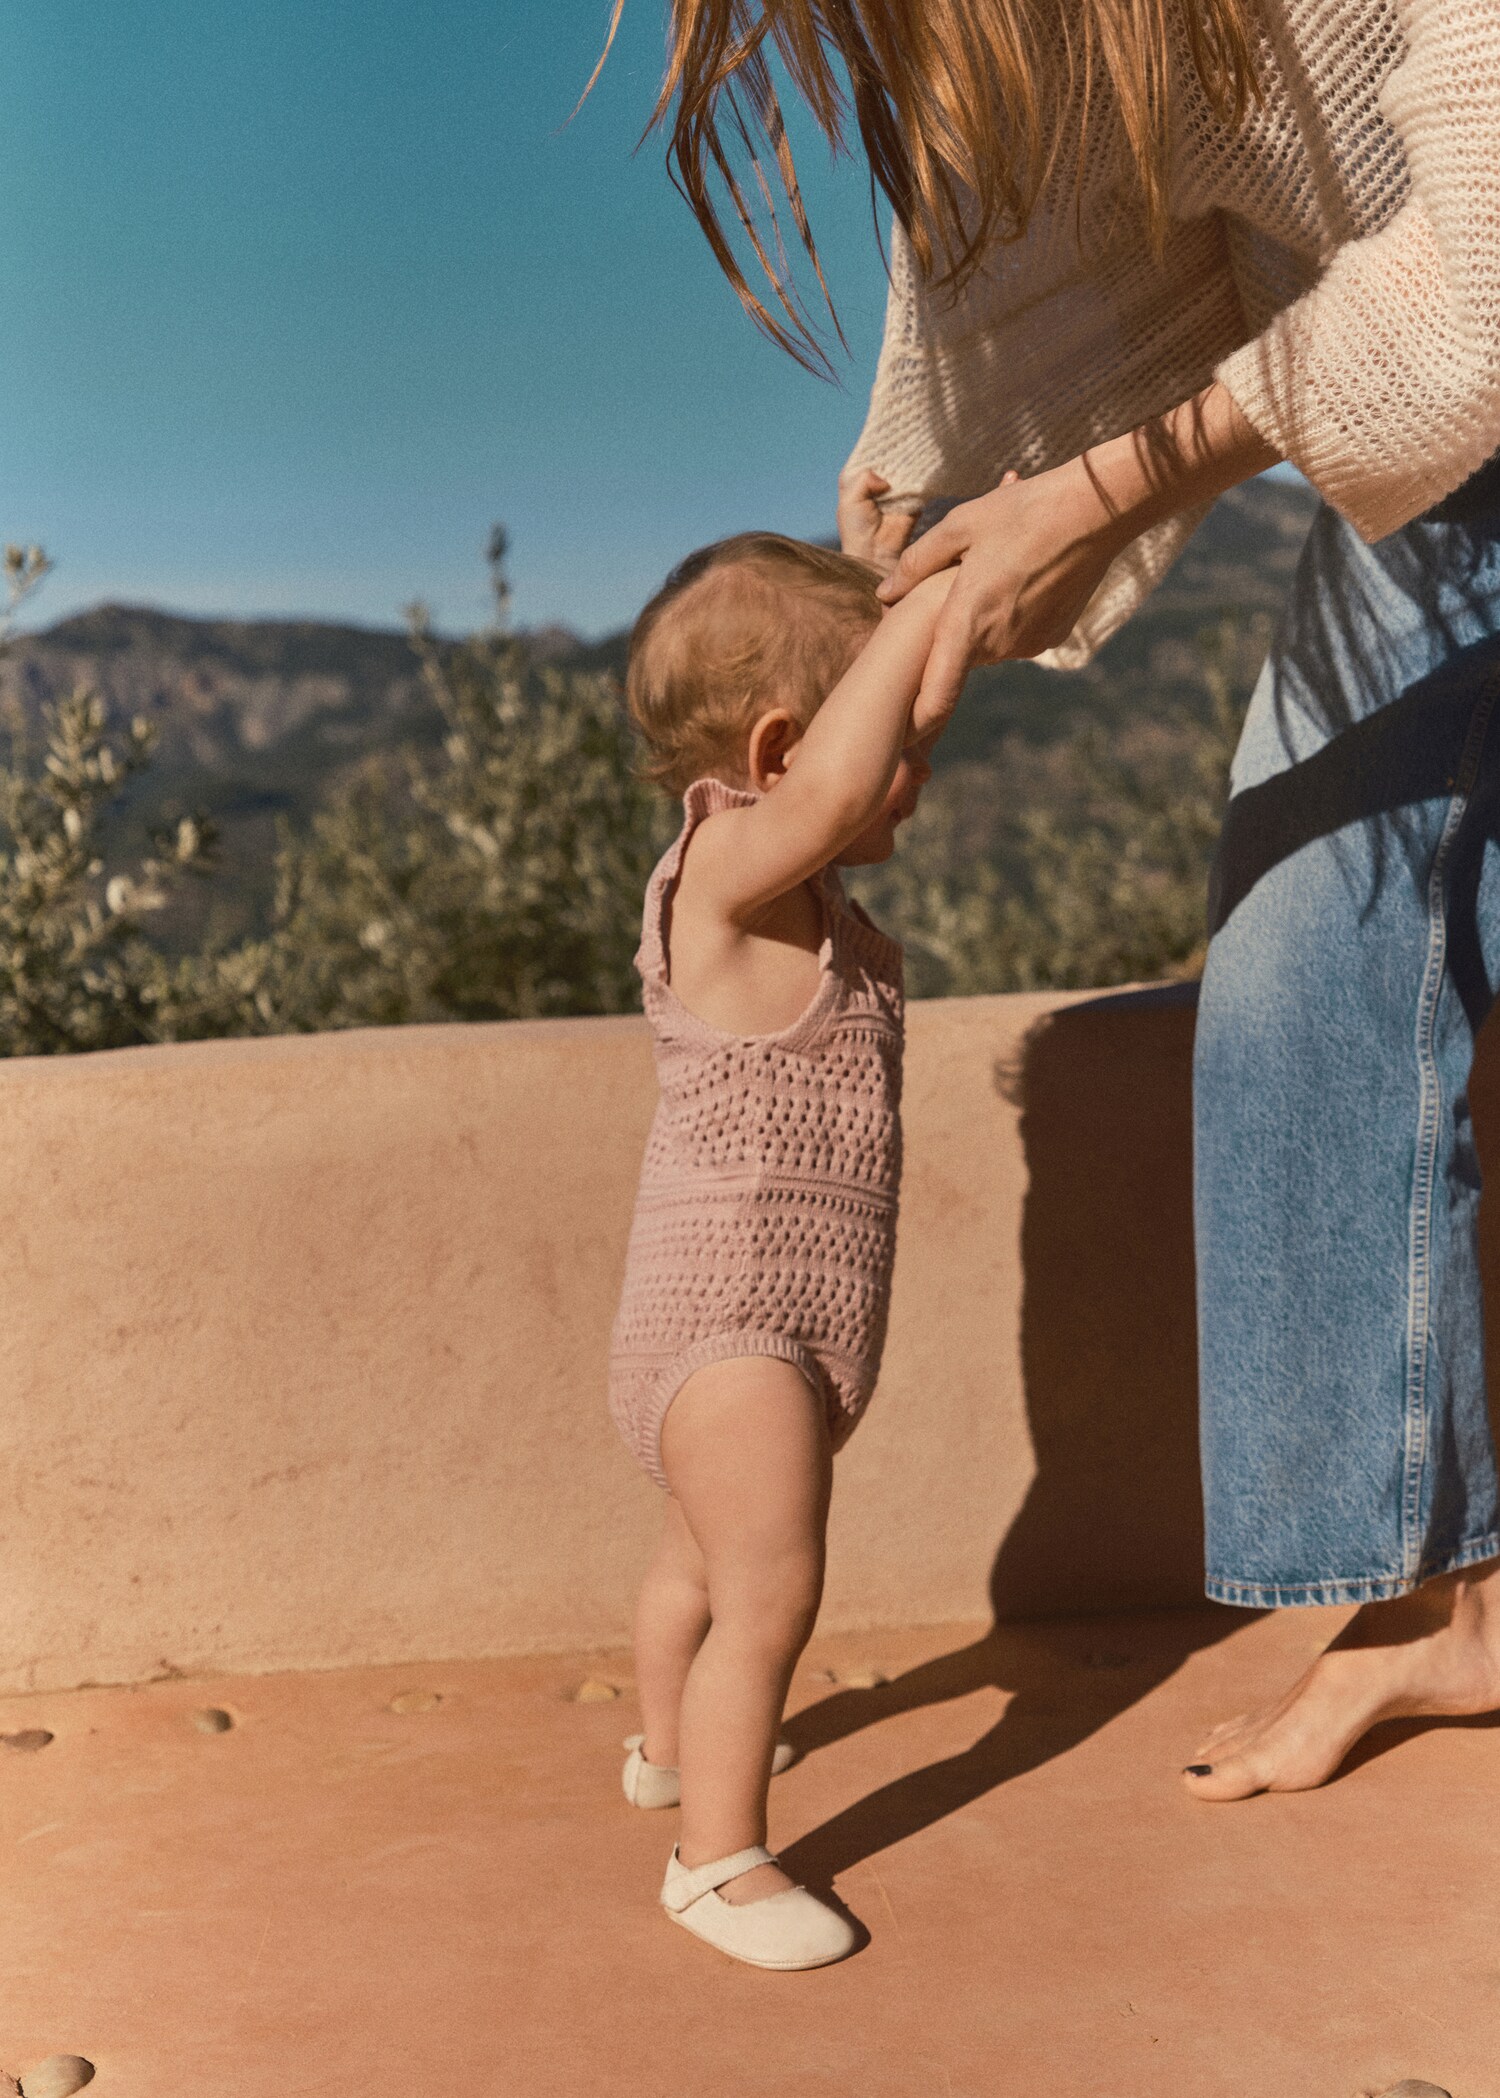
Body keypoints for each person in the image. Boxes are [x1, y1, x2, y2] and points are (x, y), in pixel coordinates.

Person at [641, 0, 1500, 1798]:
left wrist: (1086, 495)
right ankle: (1450, 1611)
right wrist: (953, 486)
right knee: (1302, 946)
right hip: (1455, 457)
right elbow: (1051, 195)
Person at [608, 522, 947, 1968]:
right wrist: (933, 619)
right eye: (902, 734)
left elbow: (836, 785)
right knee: (770, 1587)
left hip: (773, 1331)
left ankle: (668, 1750)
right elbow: (825, 793)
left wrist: (906, 577)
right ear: (782, 748)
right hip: (729, 1330)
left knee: (697, 1564)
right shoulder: (725, 875)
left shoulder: (813, 906)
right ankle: (717, 1862)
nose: (917, 768)